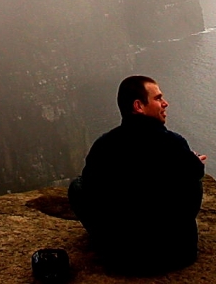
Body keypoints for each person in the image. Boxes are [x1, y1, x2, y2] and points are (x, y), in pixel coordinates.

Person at [69, 75, 206, 274]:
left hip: (121, 258)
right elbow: (191, 187)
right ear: (138, 106)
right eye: (158, 98)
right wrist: (192, 163)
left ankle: (111, 241)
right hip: (175, 255)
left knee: (77, 187)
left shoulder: (104, 146)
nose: (165, 103)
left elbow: (91, 189)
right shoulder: (174, 144)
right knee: (192, 178)